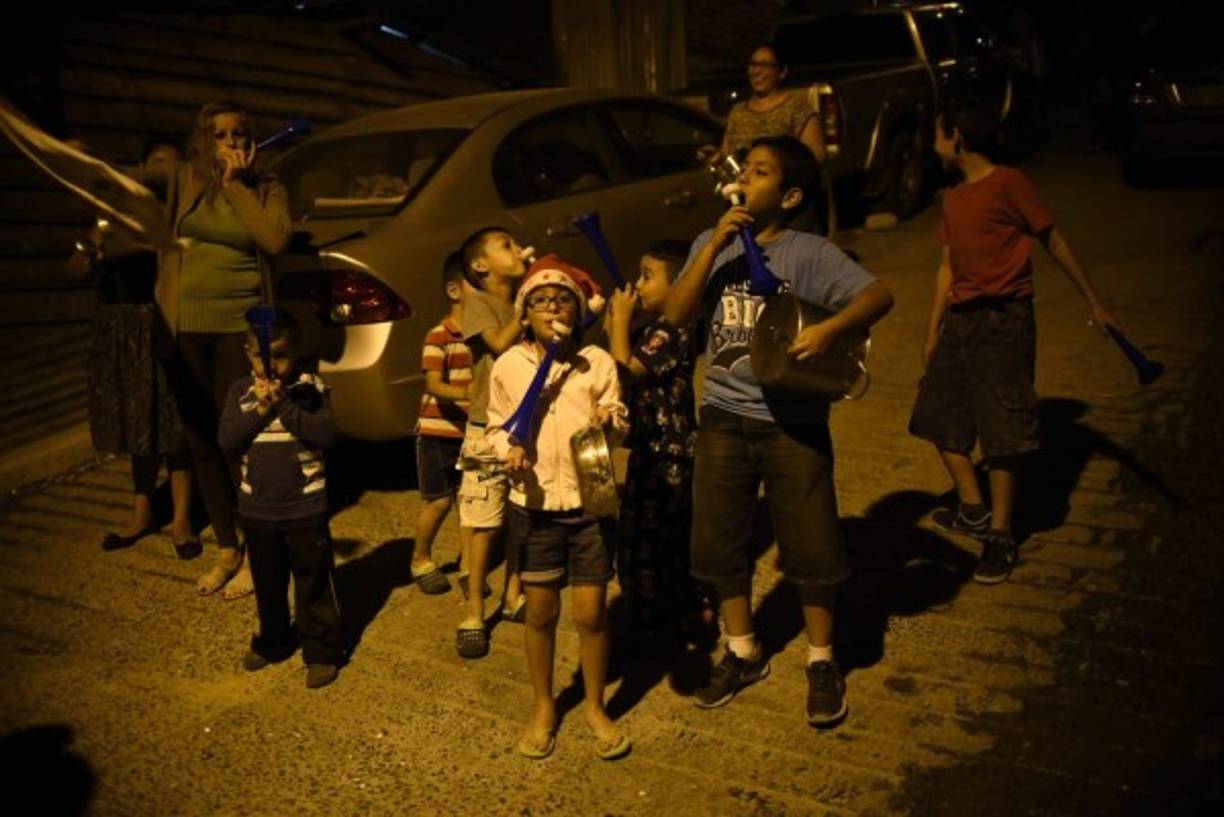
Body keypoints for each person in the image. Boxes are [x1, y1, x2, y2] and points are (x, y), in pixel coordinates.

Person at [664, 135, 893, 727]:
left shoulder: (809, 252)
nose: (745, 176)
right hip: (721, 415)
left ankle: (821, 658)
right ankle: (742, 650)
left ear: (789, 195)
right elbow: (675, 313)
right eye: (746, 167)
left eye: (760, 171)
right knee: (718, 542)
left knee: (812, 545)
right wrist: (714, 241)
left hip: (793, 421)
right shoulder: (709, 244)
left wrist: (827, 331)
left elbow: (878, 294)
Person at [908, 101, 1116, 584]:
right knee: (937, 414)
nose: (932, 145)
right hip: (961, 321)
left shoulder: (1008, 183)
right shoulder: (954, 197)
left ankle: (1000, 534)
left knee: (1002, 429)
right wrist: (932, 330)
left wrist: (1095, 302)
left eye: (937, 135)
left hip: (1005, 320)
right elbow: (947, 266)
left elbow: (1053, 239)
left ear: (955, 136)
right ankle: (973, 508)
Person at [486, 255, 630, 761]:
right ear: (524, 315)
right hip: (536, 505)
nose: (552, 308)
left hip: (589, 502)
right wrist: (510, 449)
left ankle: (594, 705)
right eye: (540, 302)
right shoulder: (508, 365)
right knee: (541, 612)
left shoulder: (598, 362)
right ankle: (545, 706)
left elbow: (617, 418)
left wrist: (608, 420)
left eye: (562, 299)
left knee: (591, 614)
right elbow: (496, 425)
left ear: (578, 310)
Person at [153, 101, 292, 598]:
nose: (231, 143)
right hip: (185, 326)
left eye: (239, 134)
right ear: (203, 141)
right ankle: (227, 547)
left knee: (242, 437)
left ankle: (258, 548)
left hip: (239, 329)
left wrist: (236, 186)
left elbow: (273, 240)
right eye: (220, 135)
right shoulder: (186, 180)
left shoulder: (265, 188)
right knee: (200, 439)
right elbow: (137, 187)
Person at [67, 137, 197, 558]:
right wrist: (91, 250)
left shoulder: (176, 219)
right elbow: (74, 268)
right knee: (137, 424)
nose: (158, 174)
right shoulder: (109, 218)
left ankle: (181, 519)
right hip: (119, 329)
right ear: (139, 167)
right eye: (154, 164)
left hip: (162, 321)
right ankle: (141, 511)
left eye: (169, 168)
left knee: (172, 424)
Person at [217, 309, 343, 689]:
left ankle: (321, 651)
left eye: (281, 354)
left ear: (296, 352)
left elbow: (325, 435)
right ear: (247, 353)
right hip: (258, 511)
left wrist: (284, 406)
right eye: (260, 355)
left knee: (313, 584)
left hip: (305, 507)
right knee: (268, 584)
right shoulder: (240, 392)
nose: (271, 365)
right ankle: (274, 639)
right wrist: (260, 409)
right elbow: (227, 441)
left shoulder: (310, 389)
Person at [603, 239, 710, 641]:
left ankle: (659, 621)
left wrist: (618, 322)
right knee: (654, 540)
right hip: (656, 451)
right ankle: (667, 613)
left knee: (651, 542)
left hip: (668, 453)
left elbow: (624, 373)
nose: (639, 284)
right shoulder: (658, 329)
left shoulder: (672, 330)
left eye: (649, 276)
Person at [454, 227, 530, 657]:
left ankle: (513, 592)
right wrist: (525, 308)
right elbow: (499, 345)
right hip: (488, 426)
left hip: (527, 424)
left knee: (522, 514)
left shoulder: (524, 296)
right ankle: (474, 608)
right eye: (507, 245)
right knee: (484, 521)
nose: (518, 249)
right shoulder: (479, 302)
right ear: (481, 266)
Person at [697, 45, 834, 235]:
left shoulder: (796, 107)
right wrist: (717, 159)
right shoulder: (738, 113)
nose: (756, 70)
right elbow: (729, 160)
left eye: (765, 65)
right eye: (752, 64)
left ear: (782, 71)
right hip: (748, 210)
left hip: (787, 214)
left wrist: (776, 176)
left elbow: (817, 156)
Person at [410, 252, 472, 595]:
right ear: (454, 290)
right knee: (439, 501)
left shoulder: (482, 336)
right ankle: (420, 558)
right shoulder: (440, 335)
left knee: (471, 503)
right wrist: (471, 393)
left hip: (467, 433)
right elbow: (433, 384)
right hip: (436, 433)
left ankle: (468, 566)